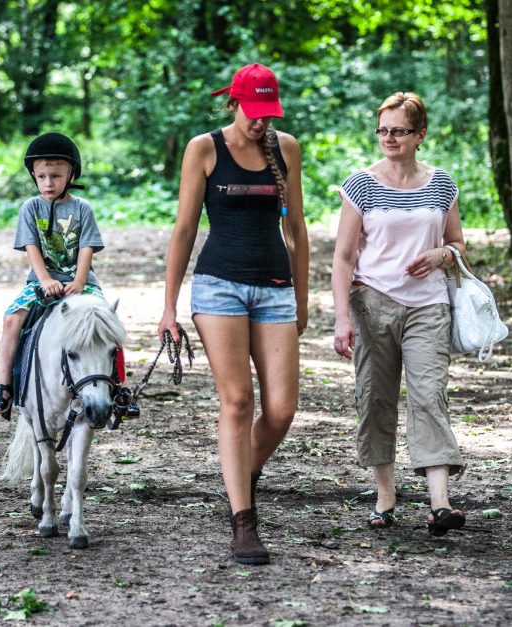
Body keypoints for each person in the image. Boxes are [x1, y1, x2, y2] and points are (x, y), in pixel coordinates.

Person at [158, 63, 309, 564]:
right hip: (218, 286)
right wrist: (168, 306)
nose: (260, 122)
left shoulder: (286, 149)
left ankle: (237, 472)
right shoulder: (204, 148)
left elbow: (298, 232)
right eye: (254, 111)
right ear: (235, 103)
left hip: (274, 289)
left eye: (269, 113)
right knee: (238, 402)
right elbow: (183, 230)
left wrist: (302, 298)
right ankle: (244, 521)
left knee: (283, 409)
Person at [330, 92, 468, 537]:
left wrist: (441, 255)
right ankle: (385, 495)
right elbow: (344, 257)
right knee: (375, 398)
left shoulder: (441, 184)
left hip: (428, 304)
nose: (388, 138)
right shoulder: (361, 185)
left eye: (399, 130)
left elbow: (460, 245)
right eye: (383, 130)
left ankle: (440, 504)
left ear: (420, 135)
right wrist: (341, 319)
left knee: (429, 394)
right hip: (372, 303)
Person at [0, 132, 106, 419]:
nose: (48, 183)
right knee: (12, 318)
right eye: (41, 177)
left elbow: (87, 247)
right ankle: (4, 386)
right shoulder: (31, 208)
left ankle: (117, 390)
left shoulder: (82, 208)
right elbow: (32, 248)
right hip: (42, 279)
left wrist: (79, 281)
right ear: (33, 176)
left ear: (71, 174)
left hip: (81, 281)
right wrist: (44, 280)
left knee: (104, 321)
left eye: (55, 176)